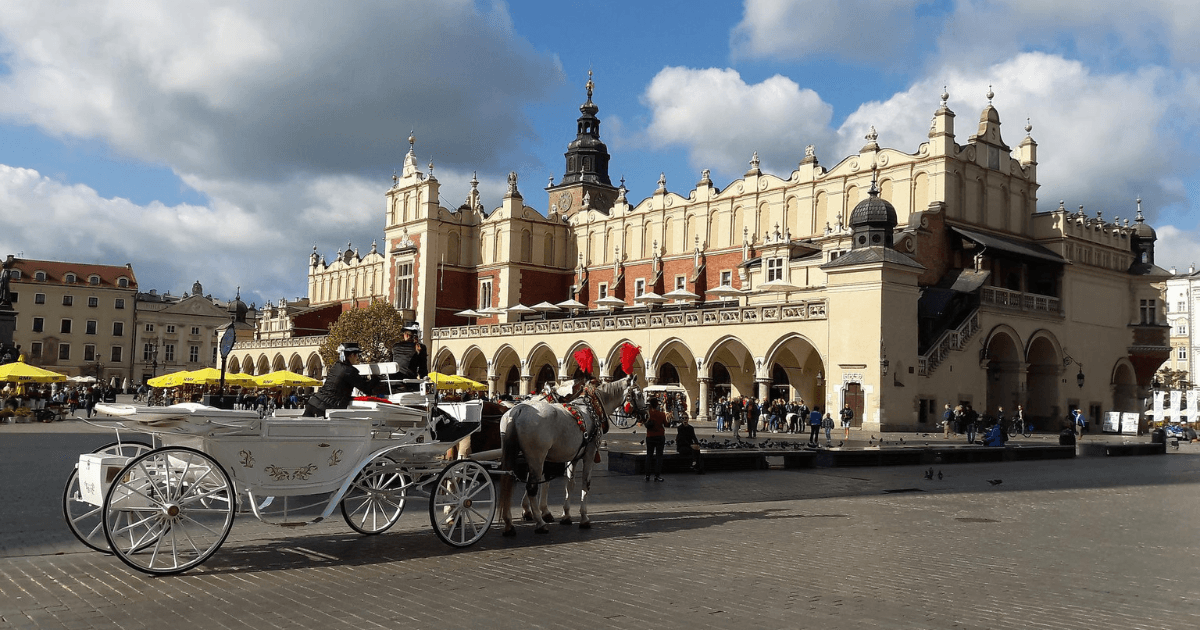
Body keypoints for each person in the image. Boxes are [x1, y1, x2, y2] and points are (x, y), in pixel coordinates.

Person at [303, 343, 380, 417]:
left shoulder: (336, 366)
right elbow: (366, 389)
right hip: (326, 408)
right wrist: (376, 378)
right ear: (352, 355)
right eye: (357, 355)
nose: (357, 358)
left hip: (313, 403)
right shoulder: (349, 371)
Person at [641, 396, 667, 482]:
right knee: (659, 456)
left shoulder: (648, 414)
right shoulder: (661, 414)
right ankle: (657, 475)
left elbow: (643, 422)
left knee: (649, 456)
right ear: (657, 405)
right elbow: (666, 424)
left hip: (650, 436)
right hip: (660, 436)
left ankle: (647, 475)